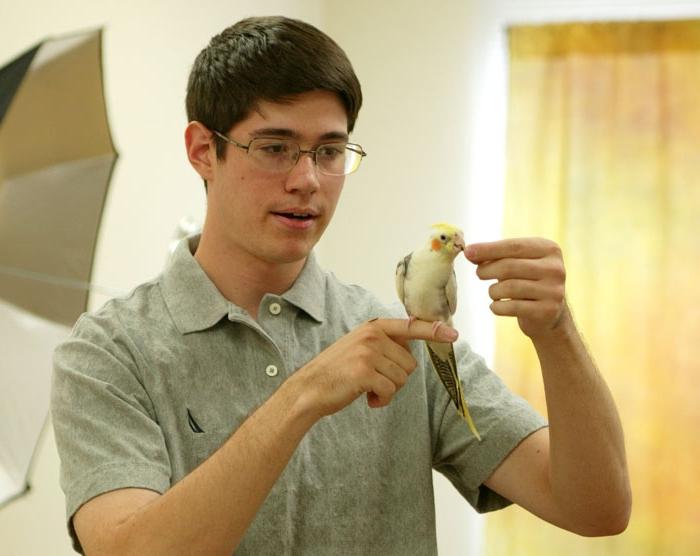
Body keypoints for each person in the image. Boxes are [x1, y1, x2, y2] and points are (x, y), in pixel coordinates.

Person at [51, 15, 631, 555]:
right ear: (204, 151)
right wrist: (304, 395)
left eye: (329, 151)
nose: (307, 181)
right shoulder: (107, 352)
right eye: (275, 148)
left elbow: (597, 507)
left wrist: (557, 334)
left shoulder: (407, 338)